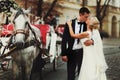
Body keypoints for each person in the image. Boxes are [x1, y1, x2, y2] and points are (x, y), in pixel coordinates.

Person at [61, 7, 93, 80]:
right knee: (70, 74)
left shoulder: (88, 24)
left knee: (82, 74)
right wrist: (64, 54)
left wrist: (92, 41)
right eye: (85, 17)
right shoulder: (70, 23)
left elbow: (95, 36)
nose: (87, 18)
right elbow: (64, 39)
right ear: (80, 15)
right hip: (71, 52)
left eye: (88, 17)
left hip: (82, 52)